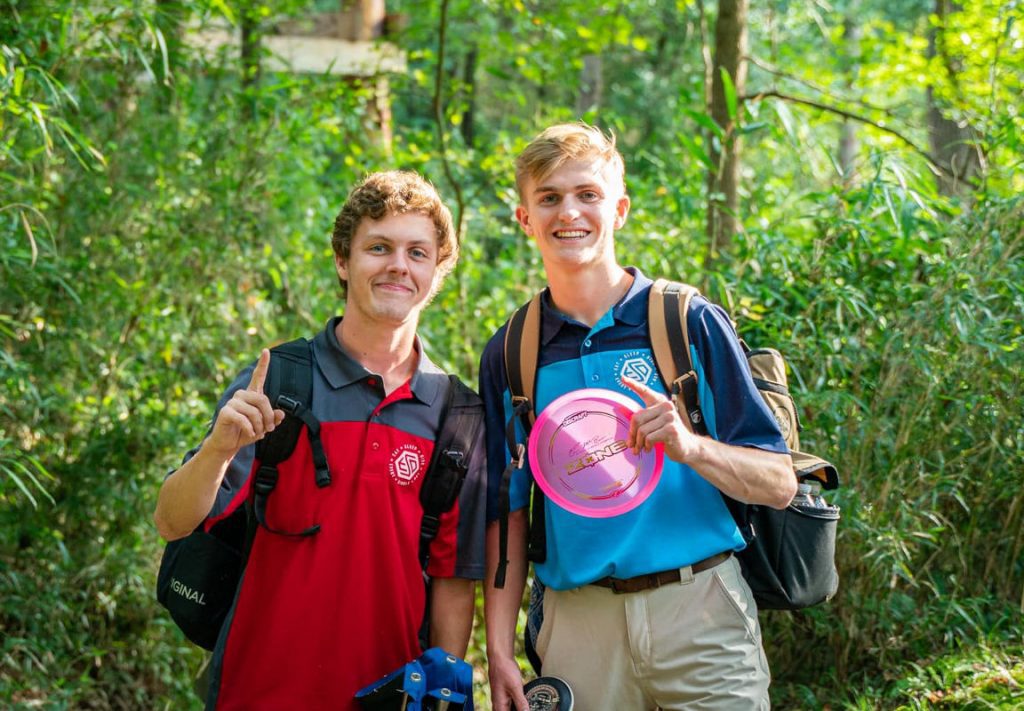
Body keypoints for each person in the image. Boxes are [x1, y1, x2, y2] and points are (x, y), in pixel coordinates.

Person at [479, 123, 797, 710]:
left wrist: (692, 447)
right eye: (548, 197)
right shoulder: (511, 351)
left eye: (587, 195)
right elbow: (507, 515)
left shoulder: (686, 321)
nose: (568, 212)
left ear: (619, 209)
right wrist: (499, 650)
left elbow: (779, 484)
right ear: (525, 218)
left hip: (701, 609)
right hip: (579, 627)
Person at [154, 171, 487, 710]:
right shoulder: (277, 381)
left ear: (436, 270)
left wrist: (444, 693)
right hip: (256, 690)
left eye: (417, 252)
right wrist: (218, 448)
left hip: (387, 694)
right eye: (378, 247)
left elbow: (452, 577)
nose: (398, 265)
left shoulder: (456, 413)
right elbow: (172, 522)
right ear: (343, 260)